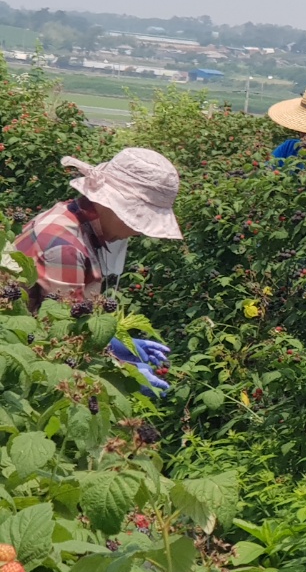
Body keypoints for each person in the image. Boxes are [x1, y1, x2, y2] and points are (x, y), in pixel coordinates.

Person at [10, 147, 182, 395]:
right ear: (110, 205)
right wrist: (126, 371)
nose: (139, 231)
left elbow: (73, 318)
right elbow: (61, 335)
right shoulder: (65, 247)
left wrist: (118, 344)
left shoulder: (74, 218)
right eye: (136, 220)